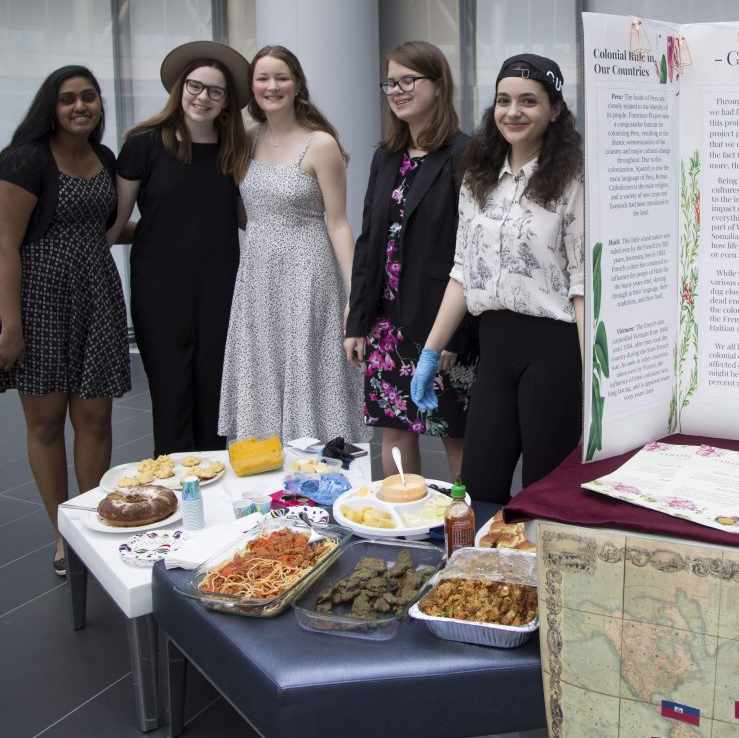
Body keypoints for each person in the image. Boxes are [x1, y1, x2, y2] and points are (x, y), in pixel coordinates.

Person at [411, 54, 585, 503]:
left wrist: (593, 377)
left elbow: (584, 282)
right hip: (495, 344)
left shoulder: (575, 180)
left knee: (544, 492)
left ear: (555, 109)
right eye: (504, 100)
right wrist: (430, 352)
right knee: (478, 484)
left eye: (529, 101)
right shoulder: (477, 177)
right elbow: (462, 272)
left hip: (555, 349)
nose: (514, 111)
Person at [0, 66, 130, 575]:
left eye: (89, 98)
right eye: (68, 99)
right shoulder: (24, 159)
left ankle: (92, 526)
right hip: (38, 299)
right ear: (52, 106)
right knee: (46, 425)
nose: (80, 107)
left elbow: (106, 225)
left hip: (96, 296)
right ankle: (64, 535)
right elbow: (6, 247)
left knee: (95, 419)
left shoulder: (104, 158)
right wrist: (11, 327)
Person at [218, 45, 370, 447]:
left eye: (281, 77)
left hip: (308, 274)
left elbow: (338, 224)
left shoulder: (320, 144)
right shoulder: (247, 140)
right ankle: (266, 483)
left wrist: (357, 296)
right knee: (262, 374)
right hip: (257, 277)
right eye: (263, 78)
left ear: (297, 84)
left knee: (310, 374)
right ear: (251, 87)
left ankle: (320, 475)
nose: (272, 86)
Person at [110, 41, 251, 453]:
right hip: (159, 285)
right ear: (179, 87)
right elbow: (118, 220)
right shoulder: (144, 143)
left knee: (214, 392)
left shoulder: (235, 149)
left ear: (226, 102)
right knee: (170, 391)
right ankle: (173, 490)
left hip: (220, 285)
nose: (202, 97)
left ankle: (214, 489)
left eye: (215, 91)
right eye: (195, 86)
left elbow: (249, 219)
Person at [346, 41, 476, 479]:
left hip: (441, 321)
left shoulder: (467, 155)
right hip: (387, 321)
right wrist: (357, 321)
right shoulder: (385, 158)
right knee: (394, 431)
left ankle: (467, 533)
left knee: (455, 433)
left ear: (438, 86)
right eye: (390, 82)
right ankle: (405, 527)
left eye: (408, 80)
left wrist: (456, 335)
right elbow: (369, 244)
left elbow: (475, 253)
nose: (397, 90)